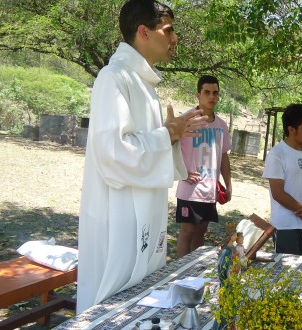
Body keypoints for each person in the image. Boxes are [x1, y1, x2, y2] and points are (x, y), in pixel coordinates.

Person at [77, 0, 208, 313]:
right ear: (143, 32)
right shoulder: (114, 78)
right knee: (111, 305)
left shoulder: (145, 84)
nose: (175, 38)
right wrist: (168, 134)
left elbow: (147, 144)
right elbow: (113, 153)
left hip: (144, 209)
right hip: (118, 213)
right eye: (168, 30)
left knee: (140, 299)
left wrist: (171, 136)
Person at [175, 75, 232, 257]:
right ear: (197, 94)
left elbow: (223, 156)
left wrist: (228, 184)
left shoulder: (221, 125)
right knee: (187, 233)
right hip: (190, 188)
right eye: (206, 92)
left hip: (210, 190)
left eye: (215, 93)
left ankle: (193, 273)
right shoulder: (186, 120)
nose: (211, 97)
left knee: (201, 233)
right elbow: (169, 147)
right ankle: (179, 274)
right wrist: (181, 172)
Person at [261, 104, 302, 257]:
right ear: (291, 129)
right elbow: (277, 193)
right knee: (288, 273)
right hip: (285, 225)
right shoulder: (277, 154)